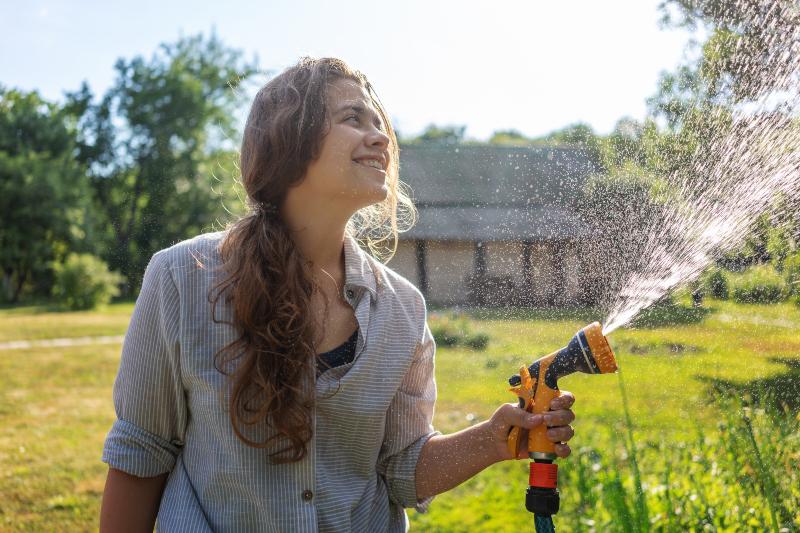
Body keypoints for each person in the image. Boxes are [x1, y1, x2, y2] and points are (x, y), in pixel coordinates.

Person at [99, 57, 576, 532]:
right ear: (290, 138)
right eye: (353, 118)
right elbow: (142, 451)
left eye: (380, 123)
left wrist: (494, 439)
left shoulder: (402, 309)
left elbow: (401, 469)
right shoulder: (182, 278)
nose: (382, 137)